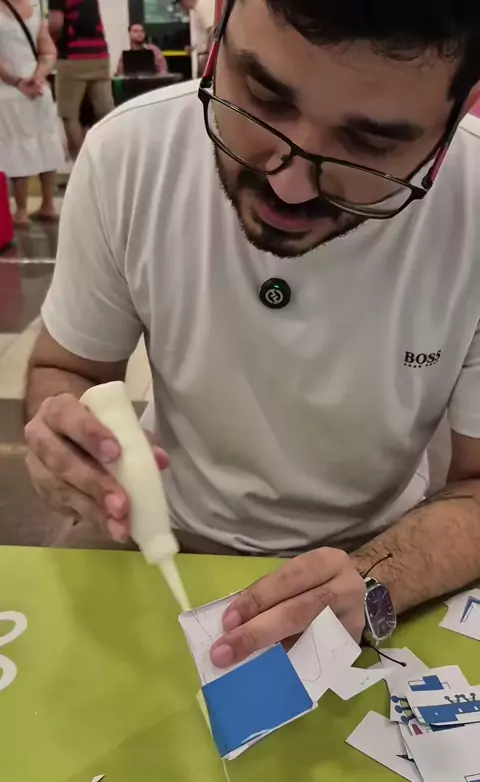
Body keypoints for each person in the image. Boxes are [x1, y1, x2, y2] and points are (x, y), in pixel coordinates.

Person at [25, 0, 480, 668]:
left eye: (370, 145)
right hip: (157, 527)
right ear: (217, 39)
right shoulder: (131, 154)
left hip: (381, 546)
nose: (288, 185)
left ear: (453, 124)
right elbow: (67, 368)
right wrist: (63, 434)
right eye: (264, 99)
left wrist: (376, 580)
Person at [0, 0, 63, 226]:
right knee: (46, 142)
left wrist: (18, 82)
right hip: (39, 90)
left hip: (9, 91)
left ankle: (21, 211)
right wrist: (39, 76)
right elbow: (48, 52)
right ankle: (48, 205)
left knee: (17, 146)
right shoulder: (35, 11)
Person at [48, 0, 114, 161]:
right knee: (105, 111)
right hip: (100, 55)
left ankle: (81, 163)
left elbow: (55, 24)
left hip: (73, 56)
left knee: (69, 114)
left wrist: (48, 42)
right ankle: (110, 156)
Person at [177, 0, 215, 77]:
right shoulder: (195, 11)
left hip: (205, 56)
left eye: (181, 4)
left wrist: (209, 56)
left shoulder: (202, 8)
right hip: (202, 55)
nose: (182, 7)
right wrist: (194, 47)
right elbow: (202, 34)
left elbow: (212, 31)